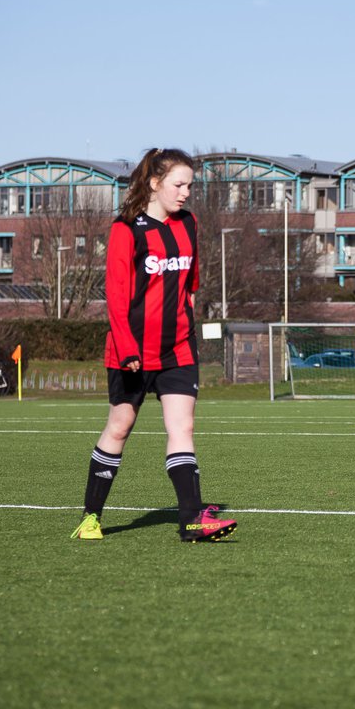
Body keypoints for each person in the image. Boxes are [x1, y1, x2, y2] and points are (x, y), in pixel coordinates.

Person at [71, 148, 236, 542]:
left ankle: (192, 519)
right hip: (131, 352)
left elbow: (191, 283)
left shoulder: (189, 223)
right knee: (120, 426)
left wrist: (186, 315)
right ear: (154, 182)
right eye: (178, 185)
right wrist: (128, 349)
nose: (185, 193)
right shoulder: (125, 229)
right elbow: (116, 296)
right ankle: (91, 517)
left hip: (178, 349)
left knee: (183, 426)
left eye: (190, 186)